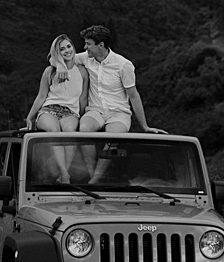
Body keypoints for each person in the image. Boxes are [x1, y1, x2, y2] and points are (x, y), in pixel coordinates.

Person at [69, 25, 151, 184]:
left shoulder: (123, 64)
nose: (85, 48)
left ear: (100, 45)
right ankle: (91, 172)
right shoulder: (86, 57)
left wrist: (145, 126)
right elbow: (59, 58)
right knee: (84, 129)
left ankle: (96, 178)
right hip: (95, 110)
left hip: (118, 113)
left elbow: (133, 96)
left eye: (88, 44)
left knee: (114, 136)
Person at [24, 34, 87, 183]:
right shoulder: (50, 71)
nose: (67, 51)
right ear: (57, 52)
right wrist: (29, 117)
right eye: (62, 49)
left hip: (70, 112)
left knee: (70, 133)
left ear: (73, 47)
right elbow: (41, 96)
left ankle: (64, 172)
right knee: (54, 131)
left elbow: (83, 98)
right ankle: (65, 174)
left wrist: (82, 116)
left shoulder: (82, 71)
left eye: (68, 46)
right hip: (49, 109)